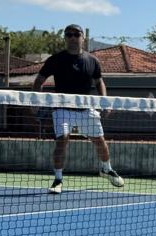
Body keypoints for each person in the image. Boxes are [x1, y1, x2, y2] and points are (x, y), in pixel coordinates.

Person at [32, 25, 124, 194]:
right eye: (69, 35)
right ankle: (58, 180)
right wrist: (35, 101)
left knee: (100, 141)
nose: (73, 37)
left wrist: (105, 102)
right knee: (62, 140)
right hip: (62, 109)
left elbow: (99, 82)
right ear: (65, 38)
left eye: (76, 34)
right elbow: (39, 80)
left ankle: (106, 169)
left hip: (86, 109)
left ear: (83, 38)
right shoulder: (55, 59)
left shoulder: (92, 60)